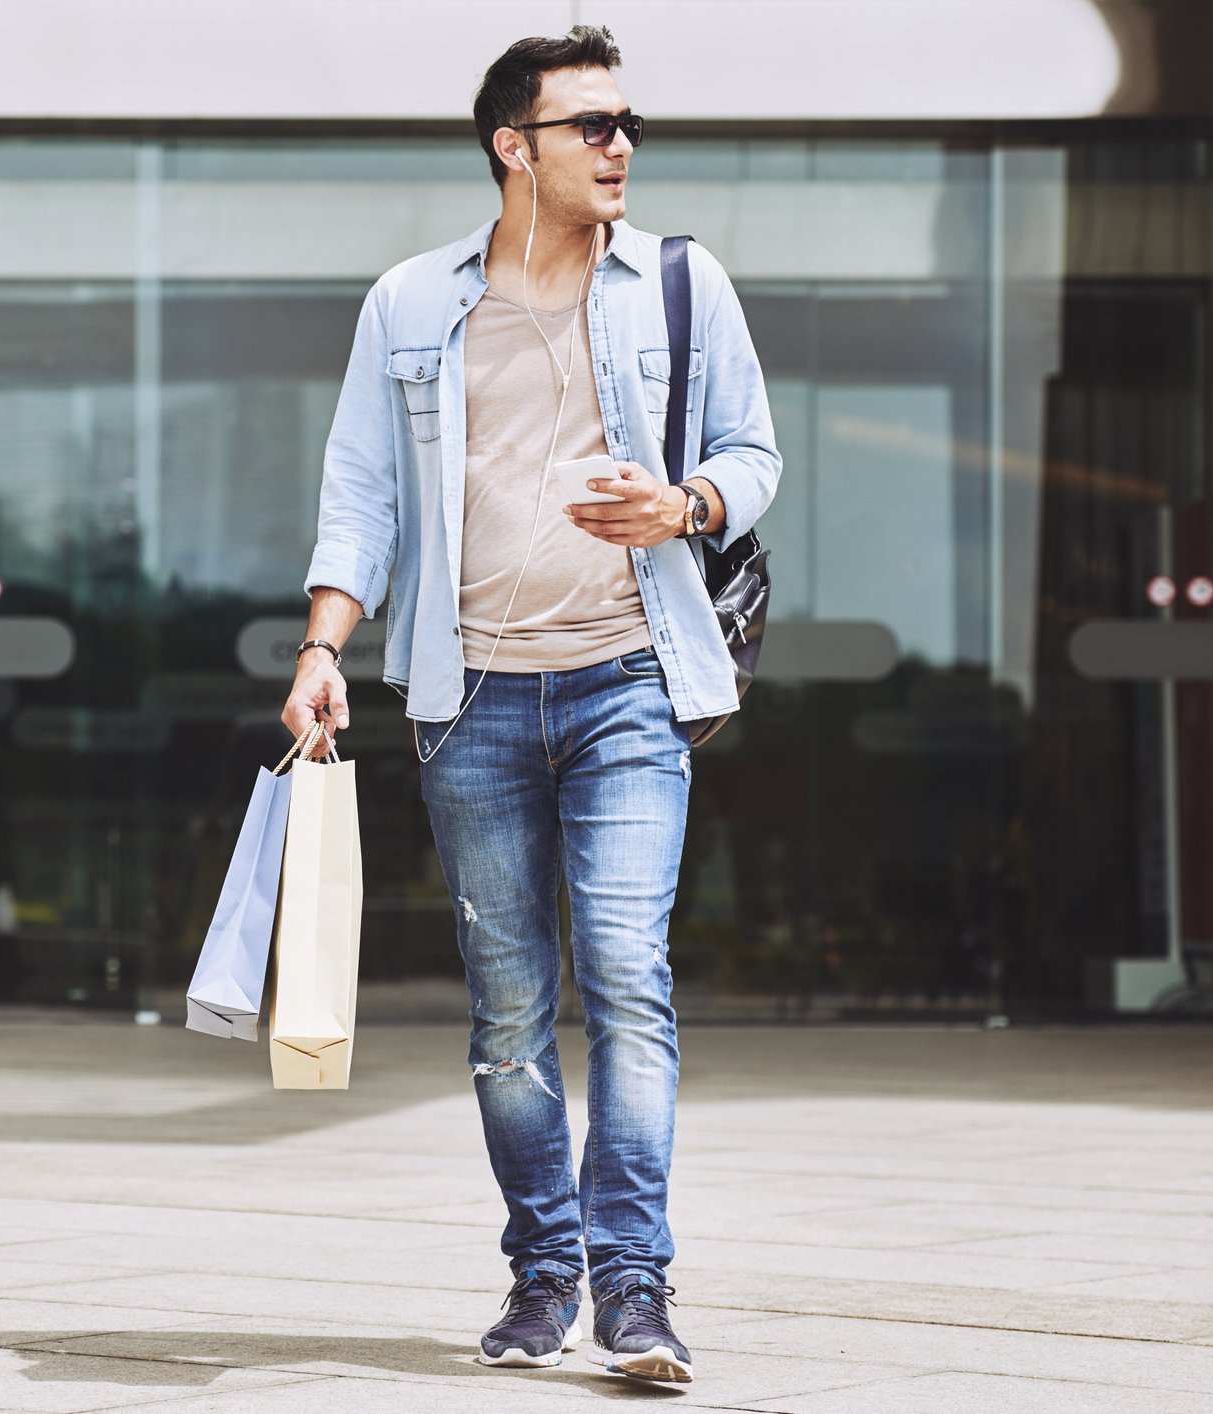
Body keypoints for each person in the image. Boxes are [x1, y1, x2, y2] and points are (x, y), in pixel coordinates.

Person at [282, 24, 780, 1385]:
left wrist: (686, 502)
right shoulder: (411, 304)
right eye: (591, 126)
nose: (621, 146)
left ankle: (634, 1284)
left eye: (629, 125)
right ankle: (541, 1268)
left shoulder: (679, 283)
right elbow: (362, 496)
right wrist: (326, 644)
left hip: (630, 678)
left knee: (627, 978)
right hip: (472, 697)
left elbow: (754, 453)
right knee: (508, 1014)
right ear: (516, 148)